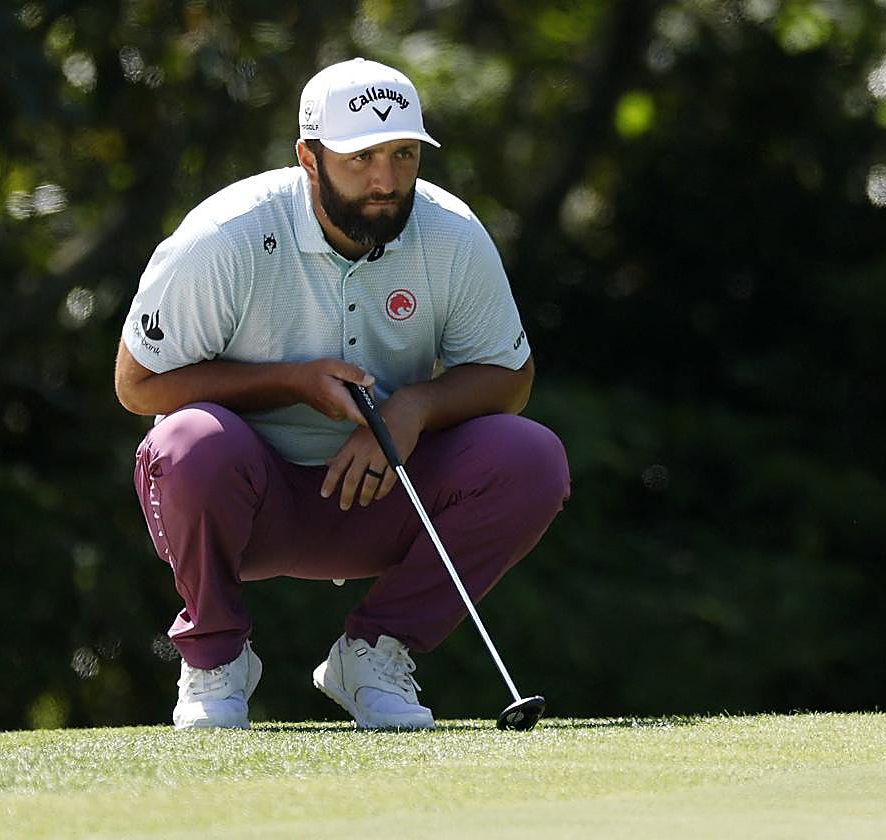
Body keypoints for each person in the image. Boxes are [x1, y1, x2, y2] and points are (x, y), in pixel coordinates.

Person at [114, 58, 570, 731]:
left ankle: (375, 655)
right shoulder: (226, 235)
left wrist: (413, 409)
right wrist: (290, 382)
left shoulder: (450, 232)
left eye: (403, 154)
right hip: (249, 500)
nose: (386, 180)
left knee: (531, 457)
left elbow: (511, 378)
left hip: (385, 493)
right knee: (187, 443)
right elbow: (137, 384)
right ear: (309, 157)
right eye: (361, 158)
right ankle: (215, 658)